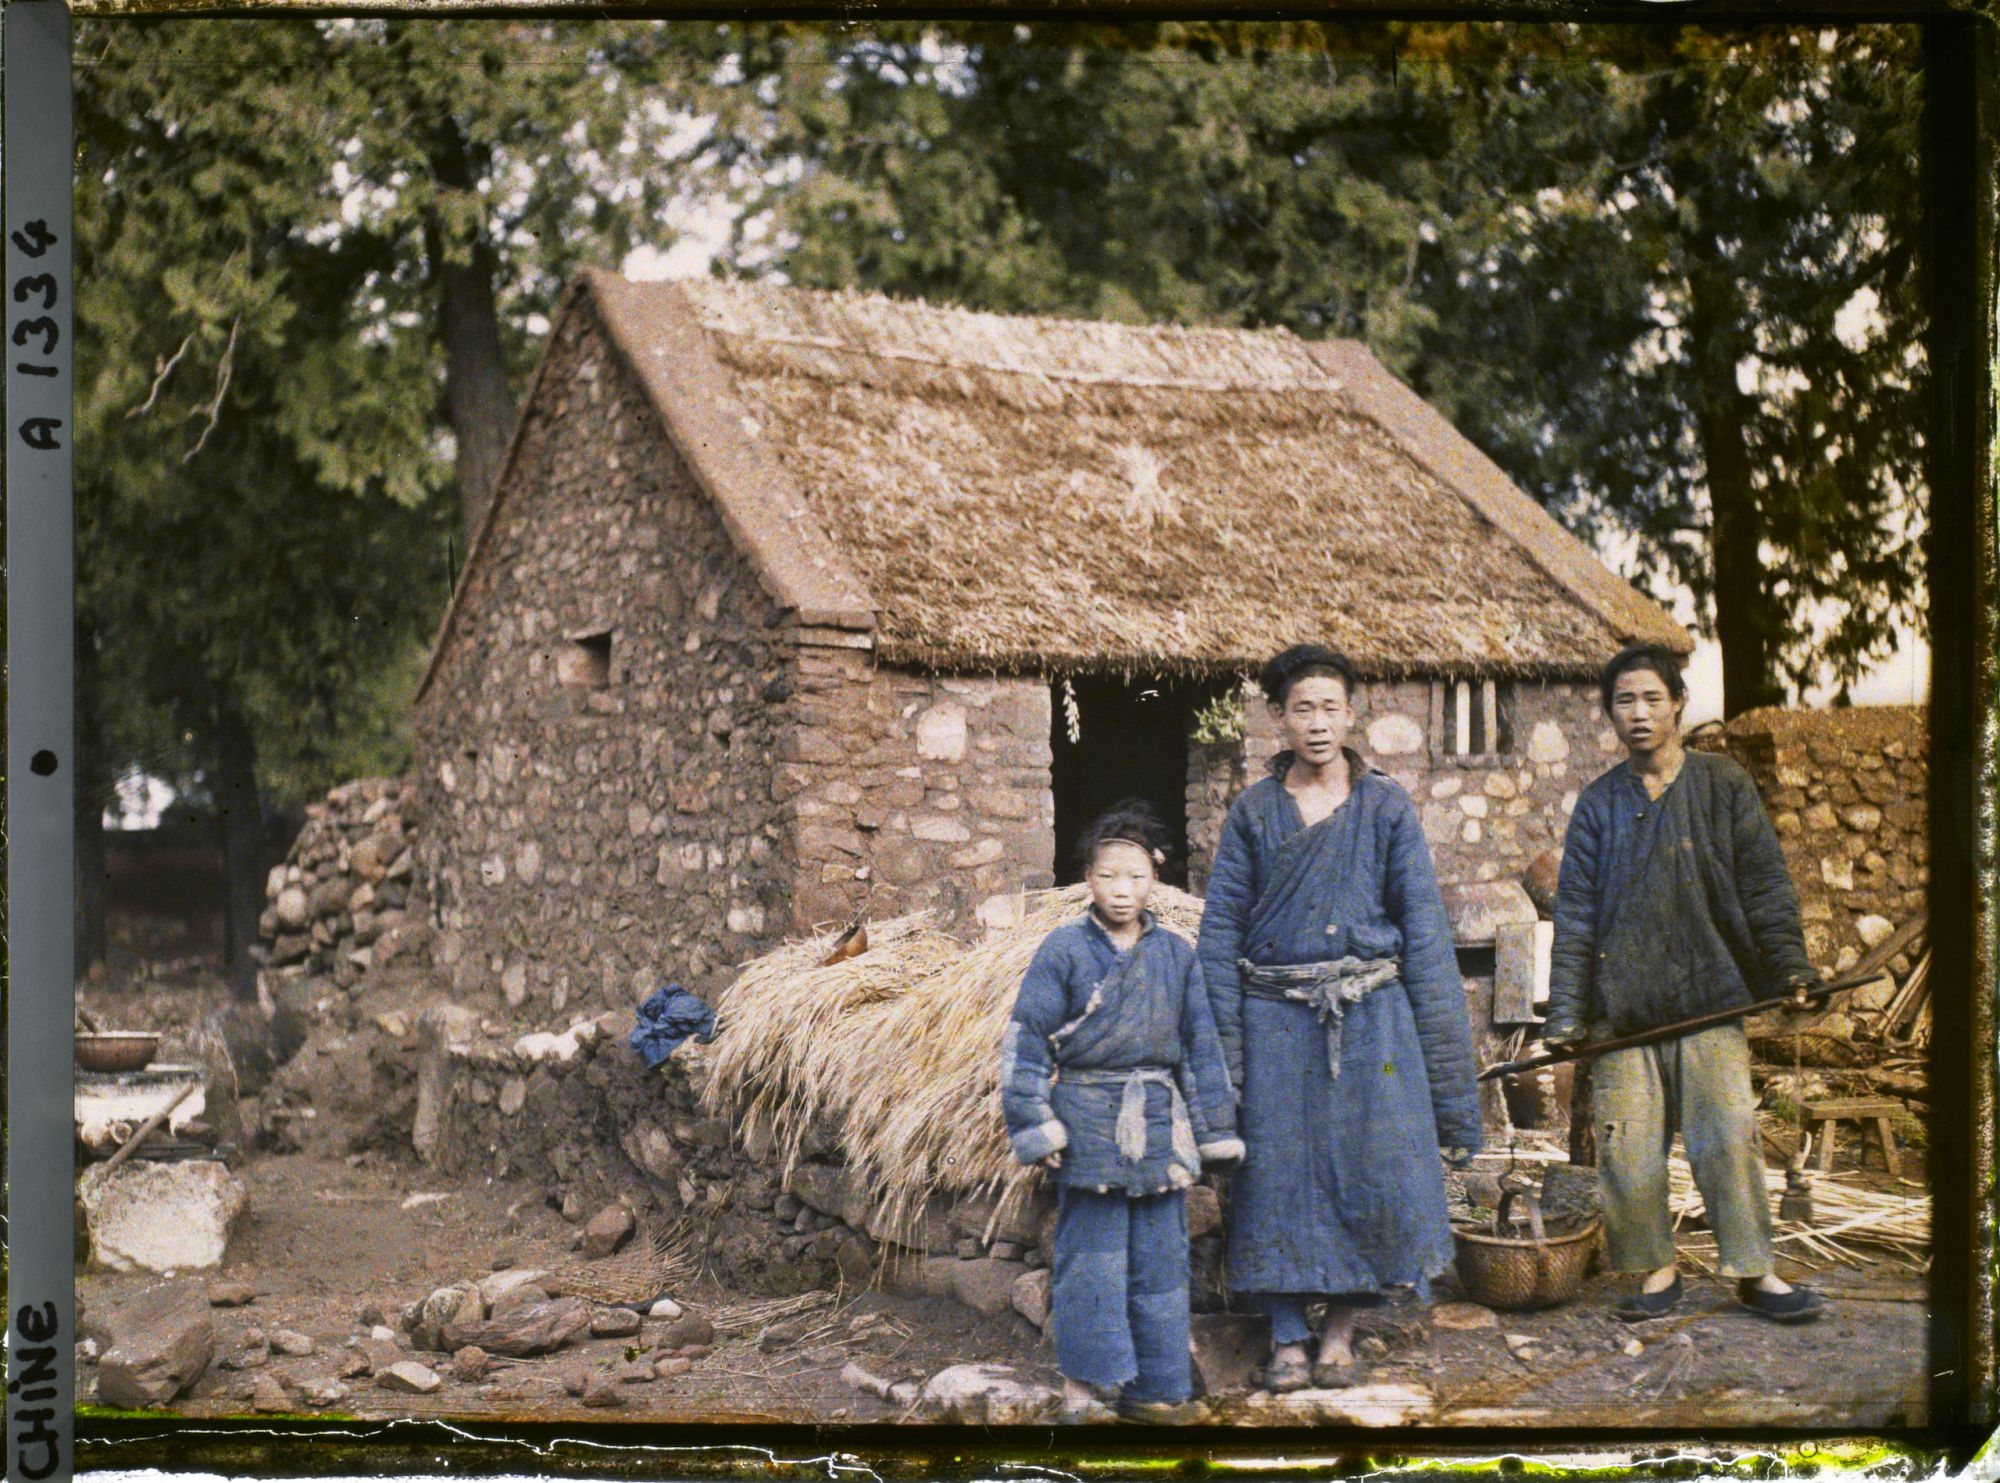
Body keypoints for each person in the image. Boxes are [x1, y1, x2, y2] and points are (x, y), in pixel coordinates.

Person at [1197, 644, 1482, 1392]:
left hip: (1372, 1018)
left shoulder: (1385, 806)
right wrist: (1223, 1058)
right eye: (1301, 708)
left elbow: (1423, 930)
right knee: (1275, 1175)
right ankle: (1286, 1330)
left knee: (1371, 1167)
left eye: (1330, 707)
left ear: (1351, 714)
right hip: (1277, 1019)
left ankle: (1341, 1331)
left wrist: (1452, 1082)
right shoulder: (1254, 812)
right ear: (1277, 718)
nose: (1317, 723)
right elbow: (1220, 934)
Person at [1541, 642, 1825, 1324]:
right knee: (1628, 1144)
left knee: (1728, 1134)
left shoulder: (1722, 784)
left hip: (1708, 1000)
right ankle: (1654, 1267)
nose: (1638, 714)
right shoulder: (1599, 805)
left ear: (1677, 704)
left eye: (1650, 699)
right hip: (1626, 1013)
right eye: (1623, 701)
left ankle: (1754, 1270)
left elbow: (1764, 886)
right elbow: (1575, 915)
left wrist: (1790, 966)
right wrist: (1567, 1016)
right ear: (1609, 713)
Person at [1001, 800, 1244, 1421]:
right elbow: (1027, 1039)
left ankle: (1158, 1388)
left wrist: (1215, 1132)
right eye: (1108, 875)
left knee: (1163, 1268)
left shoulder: (1176, 956)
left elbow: (1200, 1049)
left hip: (1159, 1127)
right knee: (1091, 1266)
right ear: (1088, 878)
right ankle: (1084, 1389)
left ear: (1155, 880)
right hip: (1087, 1124)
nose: (1122, 890)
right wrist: (1035, 1122)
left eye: (1136, 877)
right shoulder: (1062, 950)